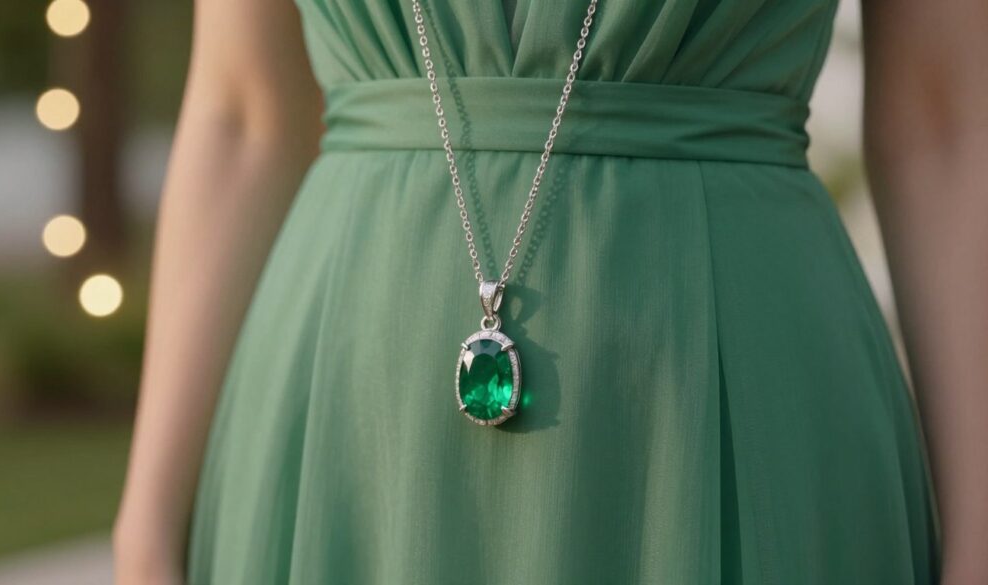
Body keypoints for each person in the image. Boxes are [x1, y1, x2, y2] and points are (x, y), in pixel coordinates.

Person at [114, 0, 987, 583]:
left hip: (738, 404)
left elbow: (946, 121)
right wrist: (146, 523)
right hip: (349, 437)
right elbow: (241, 112)